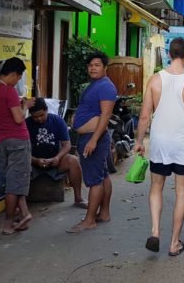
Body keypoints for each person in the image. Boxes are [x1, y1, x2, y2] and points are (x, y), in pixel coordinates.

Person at [134, 37, 184, 256]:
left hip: (160, 142)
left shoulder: (155, 80)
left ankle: (155, 231)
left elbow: (145, 115)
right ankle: (174, 242)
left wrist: (139, 141)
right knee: (182, 190)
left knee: (156, 186)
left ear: (169, 54)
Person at [0, 57, 35, 235]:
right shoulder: (9, 92)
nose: (18, 81)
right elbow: (18, 118)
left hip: (0, 140)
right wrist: (25, 106)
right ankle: (8, 223)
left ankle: (25, 214)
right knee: (15, 182)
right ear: (12, 74)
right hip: (18, 139)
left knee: (11, 179)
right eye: (18, 78)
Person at [68, 52, 117, 233]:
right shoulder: (97, 84)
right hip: (91, 137)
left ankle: (89, 220)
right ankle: (103, 213)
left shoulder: (105, 86)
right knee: (102, 175)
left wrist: (94, 140)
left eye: (97, 65)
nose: (93, 68)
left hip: (93, 138)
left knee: (94, 180)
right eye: (90, 65)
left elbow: (106, 115)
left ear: (105, 67)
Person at [26, 98, 87, 209]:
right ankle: (20, 204)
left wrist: (57, 158)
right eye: (35, 116)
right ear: (30, 115)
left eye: (41, 115)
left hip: (55, 162)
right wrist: (35, 160)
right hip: (33, 163)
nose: (39, 119)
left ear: (47, 110)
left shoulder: (57, 121)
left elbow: (67, 145)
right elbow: (23, 151)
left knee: (73, 160)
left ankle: (78, 198)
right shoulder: (26, 124)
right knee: (19, 163)